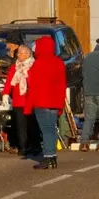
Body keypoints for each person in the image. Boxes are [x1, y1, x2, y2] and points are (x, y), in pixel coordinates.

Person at [28, 37, 67, 170]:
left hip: (42, 101)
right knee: (51, 128)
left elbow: (33, 85)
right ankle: (52, 157)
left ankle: (48, 156)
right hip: (55, 101)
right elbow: (62, 84)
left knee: (46, 130)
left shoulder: (38, 63)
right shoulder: (59, 63)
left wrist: (29, 106)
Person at [2, 43, 38, 158]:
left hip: (30, 100)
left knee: (32, 125)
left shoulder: (33, 65)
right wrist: (5, 94)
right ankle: (23, 147)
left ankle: (34, 146)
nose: (19, 55)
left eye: (21, 53)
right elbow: (9, 81)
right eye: (18, 53)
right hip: (18, 100)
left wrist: (27, 75)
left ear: (28, 54)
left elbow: (35, 83)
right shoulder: (15, 66)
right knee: (20, 125)